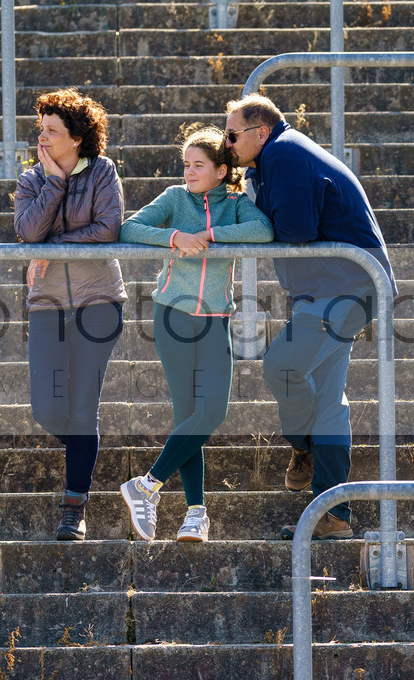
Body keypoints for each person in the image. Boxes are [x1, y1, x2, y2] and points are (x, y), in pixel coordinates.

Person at [223, 94, 397, 540]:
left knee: (281, 366)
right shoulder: (278, 156)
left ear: (261, 132)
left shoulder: (284, 151)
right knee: (329, 403)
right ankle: (336, 516)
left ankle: (303, 449)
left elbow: (296, 229)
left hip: (342, 285)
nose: (227, 143)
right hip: (336, 286)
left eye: (232, 134)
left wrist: (250, 220)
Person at [118, 126, 273, 542]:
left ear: (222, 171)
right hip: (172, 317)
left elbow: (264, 231)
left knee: (210, 414)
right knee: (187, 416)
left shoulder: (237, 206)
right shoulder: (174, 198)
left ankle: (146, 485)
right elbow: (129, 229)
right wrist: (174, 237)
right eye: (186, 164)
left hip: (215, 320)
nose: (188, 171)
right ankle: (195, 514)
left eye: (198, 165)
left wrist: (210, 234)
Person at [14, 88, 127, 541]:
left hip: (99, 301)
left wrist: (51, 249)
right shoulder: (30, 180)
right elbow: (27, 231)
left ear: (77, 138)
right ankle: (87, 452)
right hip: (47, 306)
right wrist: (55, 182)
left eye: (52, 131)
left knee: (83, 408)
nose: (42, 138)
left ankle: (73, 506)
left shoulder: (103, 171)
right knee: (47, 408)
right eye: (41, 129)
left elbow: (108, 229)